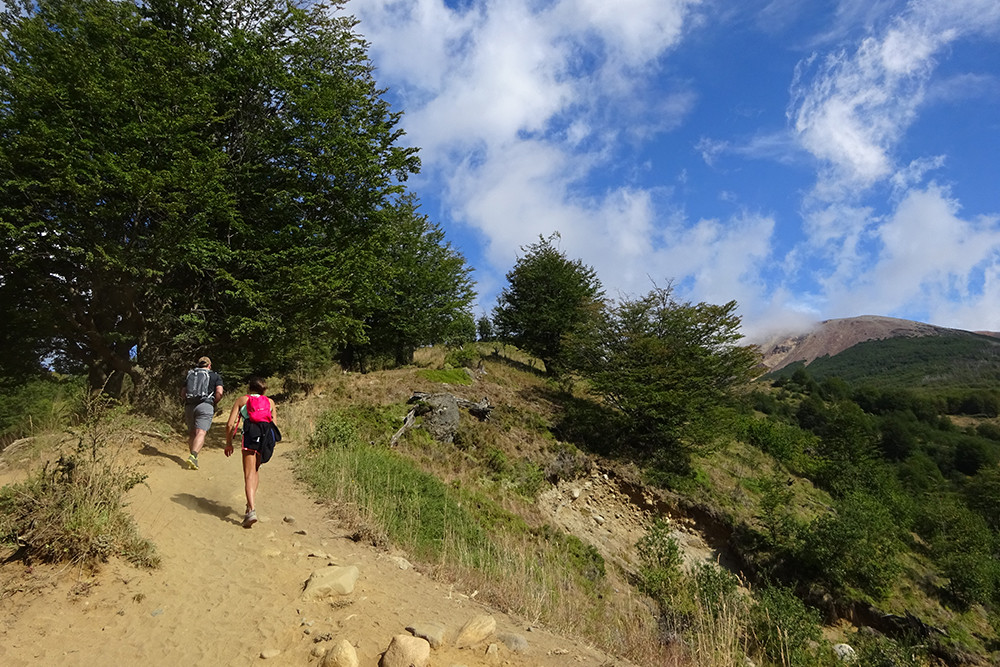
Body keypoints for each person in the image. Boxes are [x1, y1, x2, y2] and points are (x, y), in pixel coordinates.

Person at [225, 377, 280, 528]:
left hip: (250, 435)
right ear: (264, 390)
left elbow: (230, 424)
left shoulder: (242, 400)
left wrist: (229, 443)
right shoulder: (270, 402)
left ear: (249, 389)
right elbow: (274, 425)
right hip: (265, 438)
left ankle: (252, 510)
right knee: (255, 471)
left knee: (248, 474)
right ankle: (249, 507)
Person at [181, 356, 223, 470]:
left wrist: (188, 401)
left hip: (190, 406)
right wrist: (214, 402)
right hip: (206, 405)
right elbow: (219, 392)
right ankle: (193, 455)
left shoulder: (190, 375)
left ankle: (193, 458)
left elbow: (183, 393)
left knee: (192, 433)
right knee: (201, 432)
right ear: (209, 365)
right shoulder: (215, 376)